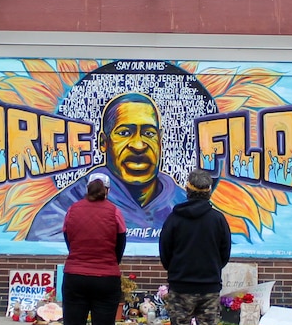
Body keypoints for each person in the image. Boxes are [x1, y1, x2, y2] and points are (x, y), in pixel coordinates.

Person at [26, 92, 186, 242]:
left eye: (149, 133)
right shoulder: (65, 208)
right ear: (103, 142)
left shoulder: (182, 203)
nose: (139, 145)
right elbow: (44, 244)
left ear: (160, 140)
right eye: (124, 133)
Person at [158, 168, 231, 325]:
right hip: (209, 286)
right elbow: (224, 253)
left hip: (181, 286)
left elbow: (165, 252)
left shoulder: (175, 218)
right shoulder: (217, 219)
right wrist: (211, 270)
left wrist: (176, 272)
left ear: (188, 191)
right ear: (209, 192)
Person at [60, 173, 126, 325]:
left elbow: (69, 239)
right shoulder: (114, 212)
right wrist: (109, 263)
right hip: (106, 277)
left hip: (75, 276)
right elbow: (120, 244)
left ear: (87, 189)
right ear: (107, 190)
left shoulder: (73, 210)